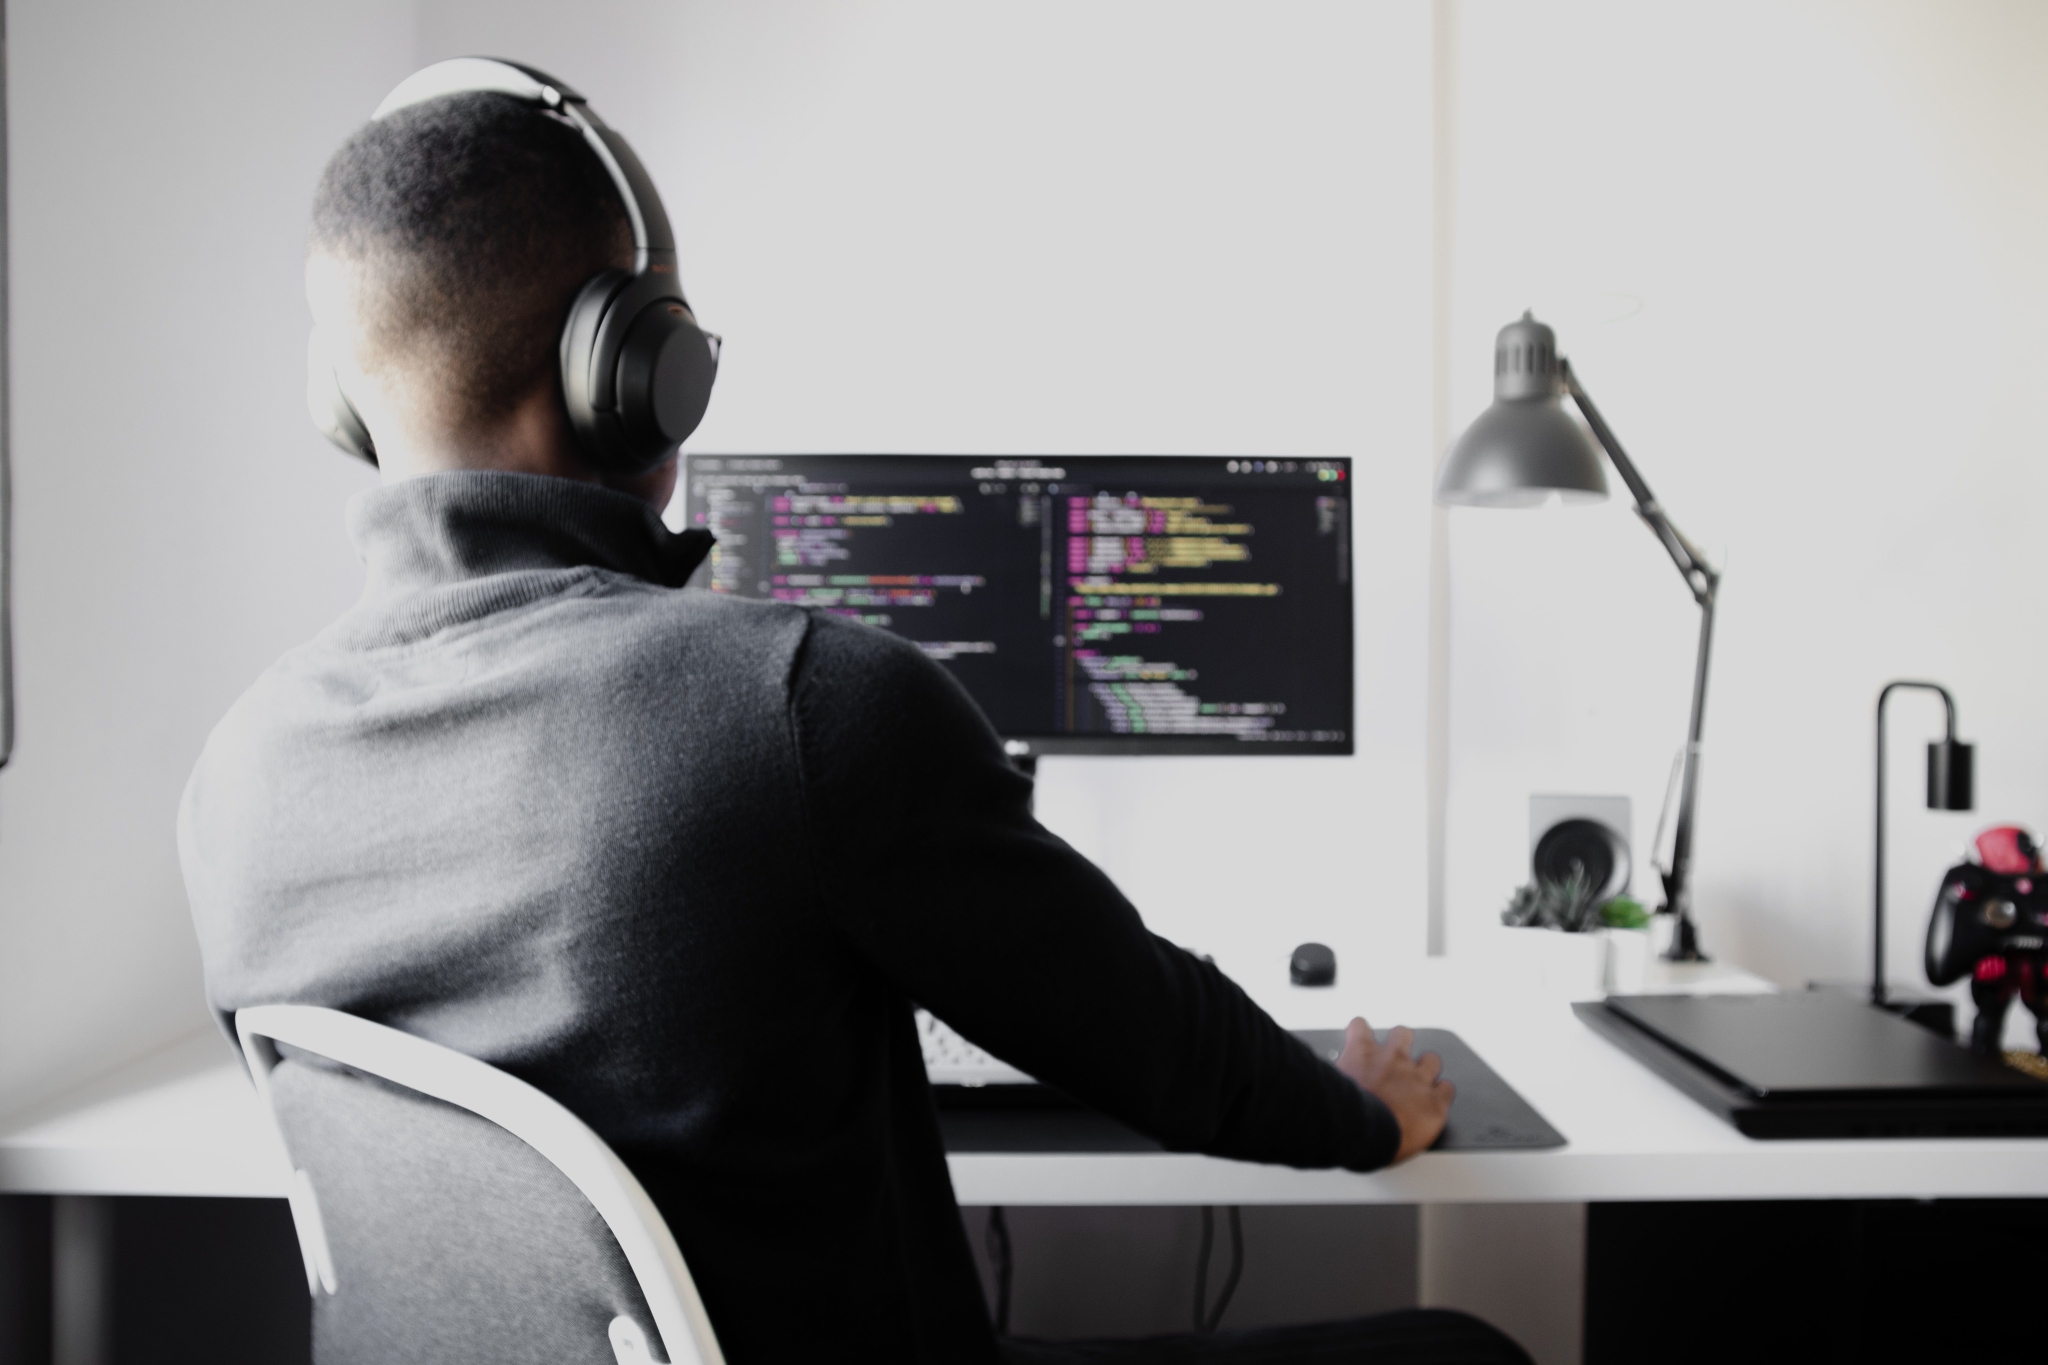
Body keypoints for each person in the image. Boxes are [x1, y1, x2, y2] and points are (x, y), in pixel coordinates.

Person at [179, 79, 1528, 1365]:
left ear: (348, 403)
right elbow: (1161, 1046)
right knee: (1463, 1347)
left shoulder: (234, 779)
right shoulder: (799, 699)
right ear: (635, 369)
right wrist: (1365, 1111)